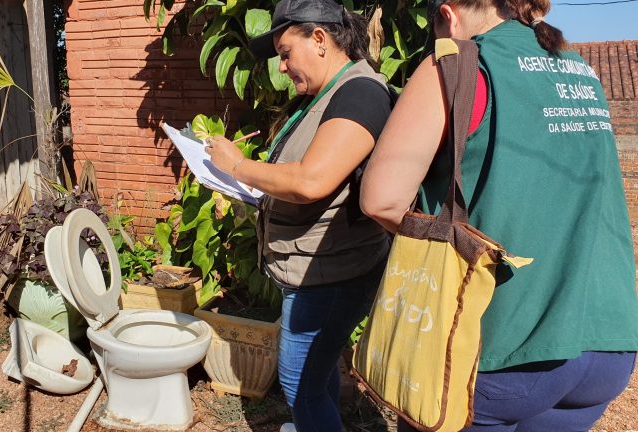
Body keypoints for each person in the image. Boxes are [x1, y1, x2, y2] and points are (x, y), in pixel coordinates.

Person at [359, 0, 638, 430]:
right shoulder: (579, 68)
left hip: (501, 345)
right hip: (607, 343)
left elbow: (381, 201)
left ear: (447, 15)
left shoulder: (455, 64)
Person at [204, 0, 393, 430]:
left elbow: (312, 180)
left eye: (286, 53)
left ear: (320, 39)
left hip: (331, 275)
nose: (282, 67)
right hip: (315, 268)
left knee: (300, 384)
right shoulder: (324, 95)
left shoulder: (360, 93)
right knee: (317, 373)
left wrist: (237, 166)